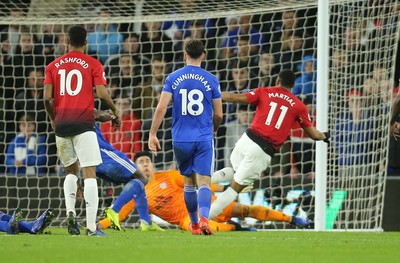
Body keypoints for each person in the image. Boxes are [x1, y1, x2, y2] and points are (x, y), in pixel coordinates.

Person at [208, 69, 330, 219]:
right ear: (293, 85)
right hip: (262, 150)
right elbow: (313, 134)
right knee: (236, 188)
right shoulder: (299, 106)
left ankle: (198, 181)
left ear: (277, 81)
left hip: (245, 140)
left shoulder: (264, 91)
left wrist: (212, 95)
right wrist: (325, 136)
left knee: (234, 171)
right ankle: (204, 219)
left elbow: (235, 98)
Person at [97, 151, 310, 233]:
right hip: (184, 219)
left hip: (207, 203)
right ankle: (236, 229)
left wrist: (226, 189)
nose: (145, 165)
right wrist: (98, 225)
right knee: (205, 229)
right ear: (135, 167)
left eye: (147, 161)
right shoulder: (137, 191)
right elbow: (120, 214)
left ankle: (292, 219)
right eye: (140, 162)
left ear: (152, 165)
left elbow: (200, 182)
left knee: (248, 209)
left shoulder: (168, 175)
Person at [43, 25, 121, 236]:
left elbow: (46, 98)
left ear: (66, 41)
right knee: (89, 175)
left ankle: (70, 213)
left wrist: (52, 118)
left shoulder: (53, 65)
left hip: (62, 125)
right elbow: (103, 94)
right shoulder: (93, 64)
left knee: (70, 172)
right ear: (86, 42)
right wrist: (115, 110)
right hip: (84, 125)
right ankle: (90, 226)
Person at [148, 39, 223, 235]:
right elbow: (219, 114)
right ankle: (205, 218)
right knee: (204, 182)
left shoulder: (173, 77)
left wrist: (152, 133)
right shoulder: (212, 79)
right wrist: (213, 128)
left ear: (184, 55)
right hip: (204, 137)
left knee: (188, 182)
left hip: (181, 138)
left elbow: (162, 107)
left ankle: (194, 224)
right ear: (203, 56)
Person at [92, 110, 164, 232]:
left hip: (91, 161)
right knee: (142, 178)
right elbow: (98, 114)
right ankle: (113, 210)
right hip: (104, 153)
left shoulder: (66, 113)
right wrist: (113, 113)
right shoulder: (83, 102)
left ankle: (146, 222)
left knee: (137, 181)